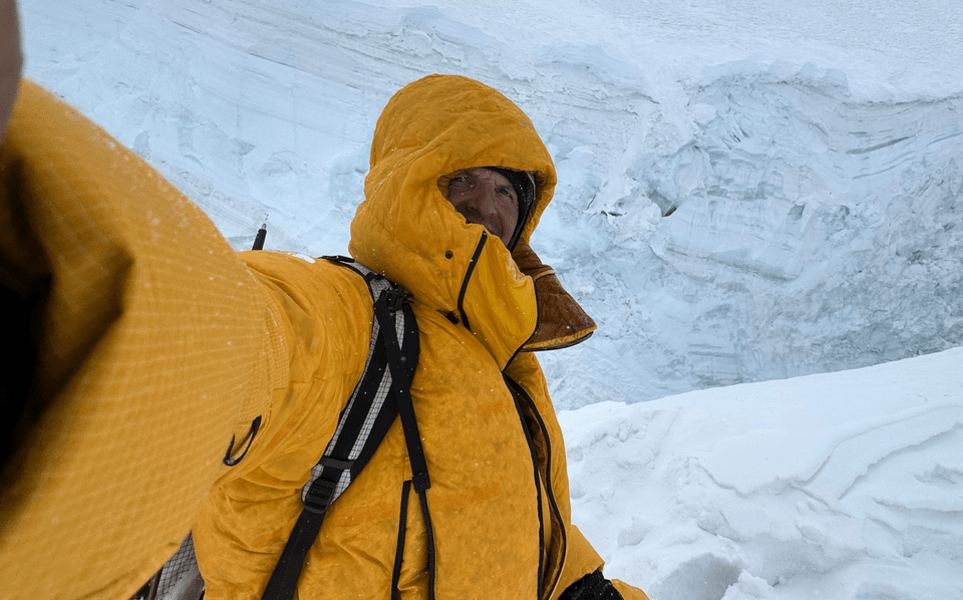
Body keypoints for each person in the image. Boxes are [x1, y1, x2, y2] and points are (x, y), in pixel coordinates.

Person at [0, 3, 648, 599]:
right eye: (460, 180)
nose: (486, 205)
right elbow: (233, 334)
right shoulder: (347, 319)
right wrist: (67, 269)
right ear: (406, 185)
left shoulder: (508, 365)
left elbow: (528, 531)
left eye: (507, 190)